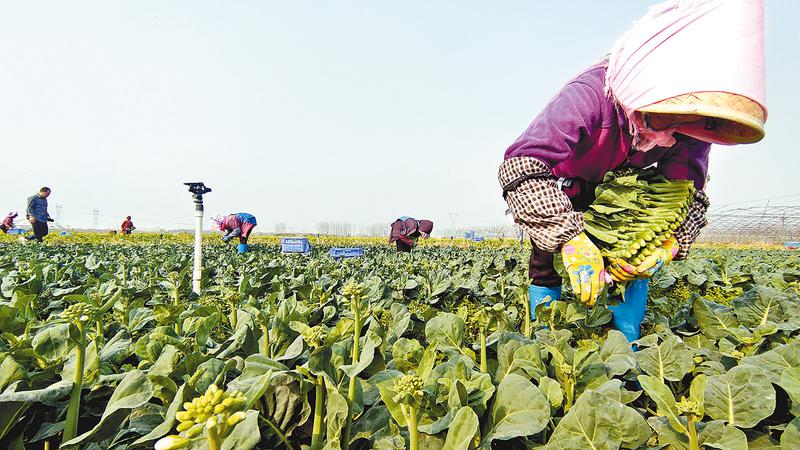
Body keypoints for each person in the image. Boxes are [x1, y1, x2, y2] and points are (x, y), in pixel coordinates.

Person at [500, 0, 766, 341]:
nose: (673, 135)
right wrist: (569, 238)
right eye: (665, 119)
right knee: (545, 257)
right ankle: (544, 333)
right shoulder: (590, 95)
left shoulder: (692, 126)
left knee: (633, 258)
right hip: (562, 185)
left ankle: (627, 338)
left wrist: (668, 244)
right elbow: (523, 164)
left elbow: (687, 192)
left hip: (621, 192)